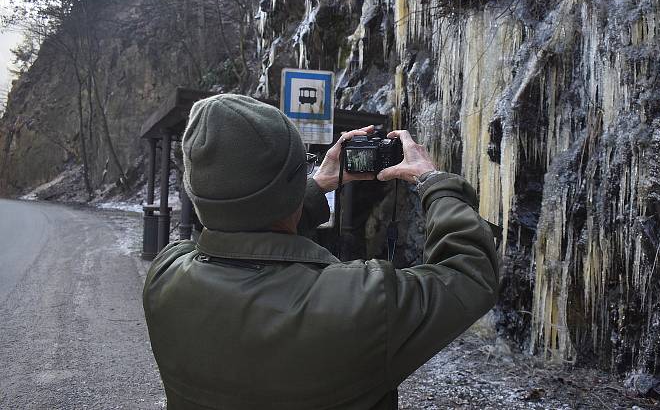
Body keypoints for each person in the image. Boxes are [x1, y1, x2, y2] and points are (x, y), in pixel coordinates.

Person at [143, 94, 499, 410]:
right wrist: (433, 182)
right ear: (291, 189)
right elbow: (470, 272)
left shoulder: (166, 276)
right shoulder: (364, 303)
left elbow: (247, 223)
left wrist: (313, 185)